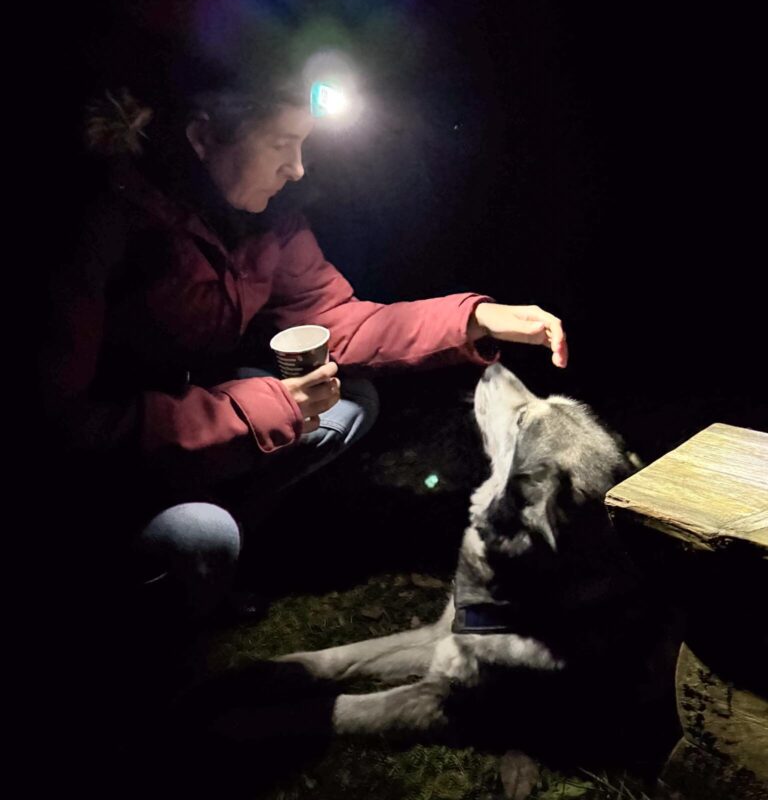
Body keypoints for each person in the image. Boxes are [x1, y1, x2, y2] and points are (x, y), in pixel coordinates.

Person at [40, 75, 568, 625]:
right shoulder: (102, 222)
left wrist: (474, 319)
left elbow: (335, 320)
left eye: (303, 144)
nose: (298, 167)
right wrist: (258, 411)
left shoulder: (265, 219)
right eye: (280, 144)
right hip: (94, 478)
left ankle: (234, 536)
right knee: (201, 535)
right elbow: (61, 424)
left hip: (182, 423)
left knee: (346, 400)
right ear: (202, 137)